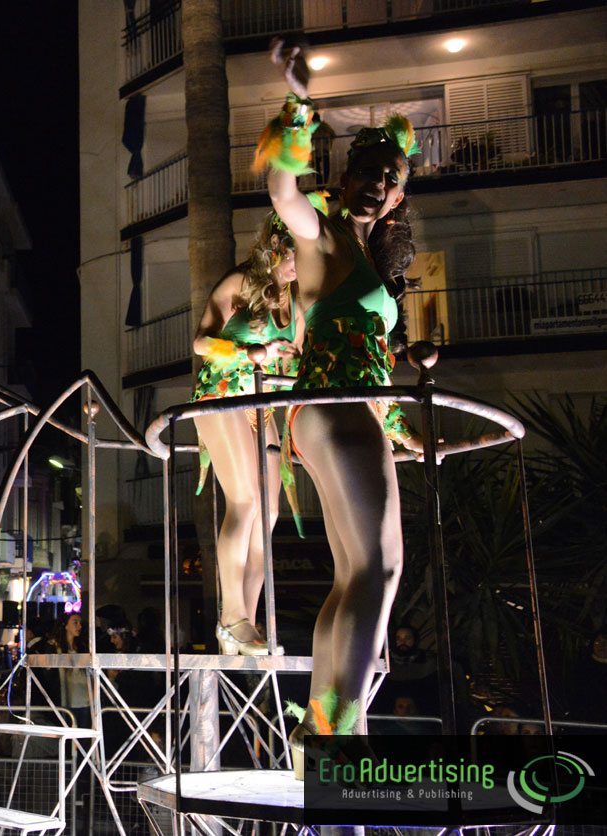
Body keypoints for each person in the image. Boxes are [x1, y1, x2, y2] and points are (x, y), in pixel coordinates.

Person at [262, 39, 426, 771]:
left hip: (340, 408)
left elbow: (362, 350)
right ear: (348, 173)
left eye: (388, 179)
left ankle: (321, 727)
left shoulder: (362, 259)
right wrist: (298, 102)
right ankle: (339, 733)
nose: (375, 184)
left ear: (395, 197)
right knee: (380, 570)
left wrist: (404, 395)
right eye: (367, 170)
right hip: (333, 405)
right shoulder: (320, 231)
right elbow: (282, 194)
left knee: (357, 573)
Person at [191, 213, 302, 656]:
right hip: (222, 392)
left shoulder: (294, 301)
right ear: (276, 244)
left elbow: (291, 361)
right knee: (246, 500)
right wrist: (250, 351)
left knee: (269, 513)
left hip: (261, 405)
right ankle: (232, 615)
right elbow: (202, 342)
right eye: (296, 251)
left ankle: (246, 622)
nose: (301, 262)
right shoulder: (239, 281)